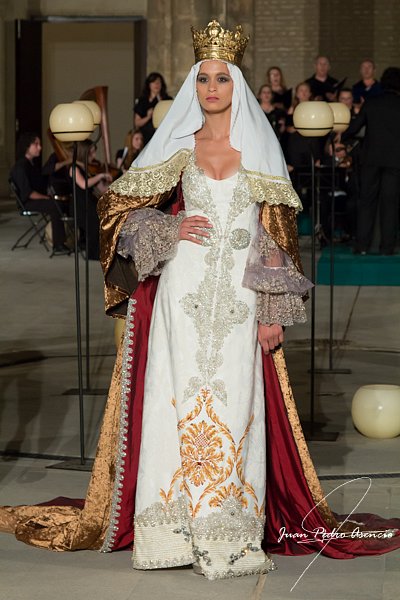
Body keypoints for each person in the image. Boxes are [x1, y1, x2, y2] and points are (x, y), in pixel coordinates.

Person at [1, 20, 400, 583]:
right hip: (182, 296)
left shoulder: (259, 148)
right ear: (195, 86)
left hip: (237, 301)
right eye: (204, 78)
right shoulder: (178, 147)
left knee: (234, 404)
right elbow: (115, 206)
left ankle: (227, 529)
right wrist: (166, 228)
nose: (212, 88)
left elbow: (275, 237)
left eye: (222, 78)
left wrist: (270, 310)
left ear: (236, 84)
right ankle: (170, 531)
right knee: (175, 402)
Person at [342, 66, 400, 255]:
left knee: (367, 202)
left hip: (371, 159)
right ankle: (387, 247)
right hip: (395, 161)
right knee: (390, 204)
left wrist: (343, 136)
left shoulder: (372, 103)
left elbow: (354, 128)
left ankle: (362, 246)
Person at [10, 132, 69, 254]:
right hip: (28, 202)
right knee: (54, 206)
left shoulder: (31, 164)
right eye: (36, 144)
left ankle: (71, 238)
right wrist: (48, 198)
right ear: (27, 146)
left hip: (34, 199)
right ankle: (58, 244)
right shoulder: (20, 167)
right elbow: (28, 193)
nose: (40, 147)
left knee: (61, 203)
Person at [68, 140, 112, 260]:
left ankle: (106, 249)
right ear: (84, 153)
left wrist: (114, 184)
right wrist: (100, 176)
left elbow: (101, 189)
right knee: (96, 221)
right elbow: (83, 184)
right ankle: (93, 254)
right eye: (91, 153)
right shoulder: (74, 168)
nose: (94, 156)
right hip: (80, 206)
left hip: (89, 203)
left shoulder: (87, 168)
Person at [134, 72, 172, 145]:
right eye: (154, 82)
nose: (157, 84)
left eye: (159, 82)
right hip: (146, 137)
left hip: (164, 136)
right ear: (149, 85)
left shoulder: (167, 100)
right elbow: (137, 123)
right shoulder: (143, 101)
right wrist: (148, 117)